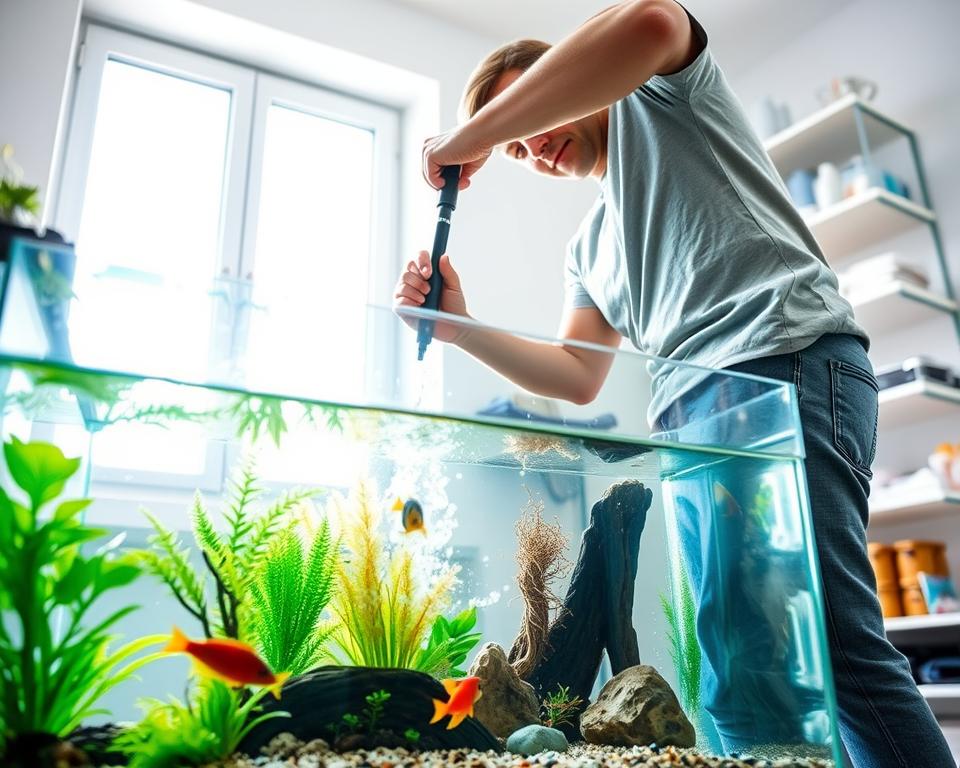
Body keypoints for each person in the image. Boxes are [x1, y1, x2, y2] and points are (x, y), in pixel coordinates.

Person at [392, 1, 954, 765]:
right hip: (692, 420)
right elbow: (580, 375)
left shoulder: (663, 100)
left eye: (529, 117)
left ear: (568, 78)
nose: (529, 146)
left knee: (832, 648)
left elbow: (652, 22)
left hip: (783, 365)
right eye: (516, 150)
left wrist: (470, 138)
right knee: (733, 671)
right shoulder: (589, 245)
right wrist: (462, 327)